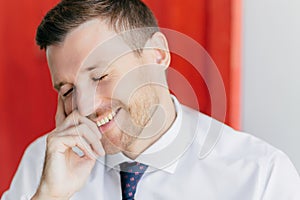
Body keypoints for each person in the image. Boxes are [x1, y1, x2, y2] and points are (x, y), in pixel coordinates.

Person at [2, 0, 300, 199]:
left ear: (157, 54)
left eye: (100, 76)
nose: (85, 107)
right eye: (67, 90)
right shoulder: (42, 164)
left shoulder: (261, 176)